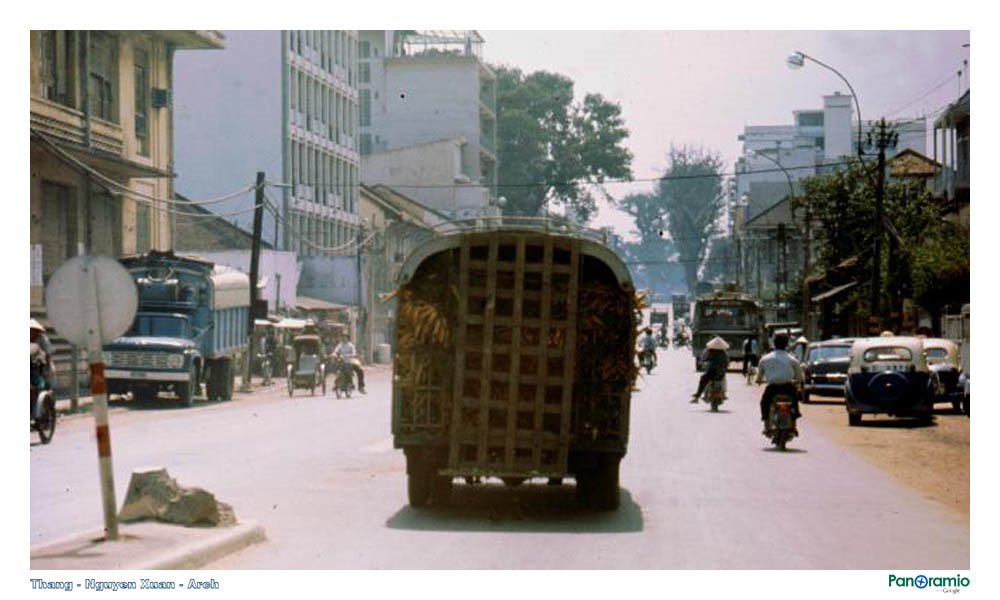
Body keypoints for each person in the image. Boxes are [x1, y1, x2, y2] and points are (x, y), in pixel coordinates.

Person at [755, 333, 804, 434]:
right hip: (788, 387)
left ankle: (766, 426)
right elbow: (799, 376)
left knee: (764, 403)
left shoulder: (765, 359)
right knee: (794, 403)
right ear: (786, 345)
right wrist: (799, 381)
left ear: (774, 344)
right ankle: (794, 425)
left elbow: (759, 374)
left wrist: (759, 380)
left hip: (772, 388)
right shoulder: (792, 359)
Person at [692, 336, 729, 402]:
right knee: (723, 380)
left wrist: (702, 362)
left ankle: (697, 396)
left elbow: (703, 359)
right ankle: (723, 394)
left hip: (710, 372)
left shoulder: (709, 351)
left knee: (703, 379)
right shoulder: (723, 353)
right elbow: (726, 362)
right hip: (720, 373)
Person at [30, 319, 55, 385]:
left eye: (33, 330)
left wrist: (46, 366)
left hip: (42, 368)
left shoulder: (42, 338)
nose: (32, 332)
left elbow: (48, 353)